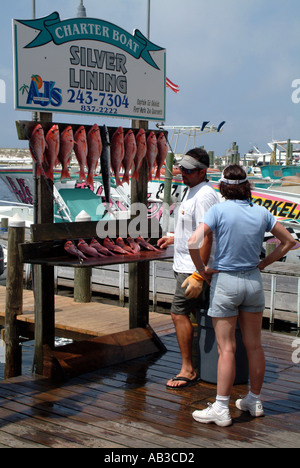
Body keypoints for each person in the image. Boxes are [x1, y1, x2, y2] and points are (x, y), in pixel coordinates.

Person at [188, 164, 296, 426]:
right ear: (247, 186)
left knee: (227, 349)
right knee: (255, 346)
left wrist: (201, 270)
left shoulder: (218, 210)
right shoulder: (261, 212)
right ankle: (254, 400)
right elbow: (290, 242)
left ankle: (222, 408)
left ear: (223, 186)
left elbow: (193, 241)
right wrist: (264, 263)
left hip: (226, 282)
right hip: (253, 281)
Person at [157, 147, 219, 389]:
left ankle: (188, 369)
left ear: (203, 172)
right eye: (182, 168)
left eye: (189, 170)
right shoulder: (191, 190)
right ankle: (204, 364)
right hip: (185, 264)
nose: (183, 173)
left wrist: (198, 273)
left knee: (177, 313)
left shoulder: (204, 195)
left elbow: (207, 235)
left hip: (193, 269)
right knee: (198, 316)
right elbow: (193, 228)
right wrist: (174, 238)